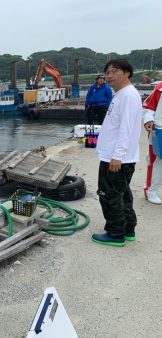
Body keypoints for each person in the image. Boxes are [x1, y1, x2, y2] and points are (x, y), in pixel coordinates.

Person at [92, 59, 142, 247]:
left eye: (114, 71)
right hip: (118, 156)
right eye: (107, 72)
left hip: (116, 158)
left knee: (110, 195)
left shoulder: (128, 95)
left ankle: (115, 234)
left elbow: (126, 129)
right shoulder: (121, 94)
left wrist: (117, 156)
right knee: (122, 194)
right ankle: (128, 228)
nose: (109, 75)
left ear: (127, 73)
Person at [142, 81, 162, 204]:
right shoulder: (160, 88)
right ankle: (151, 190)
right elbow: (148, 106)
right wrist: (148, 120)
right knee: (156, 161)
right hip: (159, 130)